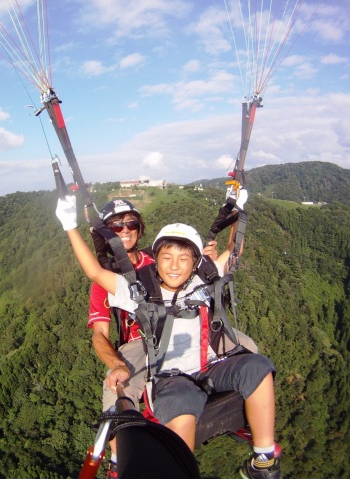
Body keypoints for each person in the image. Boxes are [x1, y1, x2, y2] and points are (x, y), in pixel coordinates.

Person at [56, 191, 281, 479]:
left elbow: (231, 252)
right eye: (116, 226)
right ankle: (119, 454)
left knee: (254, 359)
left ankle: (259, 441)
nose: (174, 265)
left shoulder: (177, 268)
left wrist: (236, 210)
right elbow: (95, 274)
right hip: (147, 345)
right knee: (122, 390)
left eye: (130, 225)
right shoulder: (139, 287)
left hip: (202, 348)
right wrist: (69, 225)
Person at [87, 200, 153, 478]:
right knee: (117, 393)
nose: (124, 230)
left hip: (171, 334)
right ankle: (119, 460)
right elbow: (99, 334)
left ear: (139, 228)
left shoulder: (159, 259)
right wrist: (115, 363)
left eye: (131, 224)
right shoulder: (105, 280)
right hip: (137, 346)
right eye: (116, 226)